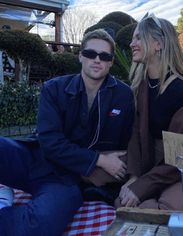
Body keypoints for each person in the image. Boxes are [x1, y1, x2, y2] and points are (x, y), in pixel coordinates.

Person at [0, 29, 135, 236]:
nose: (97, 60)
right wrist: (100, 159)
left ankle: (4, 205)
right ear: (80, 55)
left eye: (104, 56)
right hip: (34, 159)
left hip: (67, 179)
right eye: (91, 54)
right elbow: (50, 142)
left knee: (40, 225)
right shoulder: (54, 89)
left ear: (110, 62)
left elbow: (128, 144)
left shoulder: (124, 96)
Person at [115, 13, 183, 211]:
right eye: (133, 38)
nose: (132, 43)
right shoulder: (140, 87)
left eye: (139, 37)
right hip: (148, 166)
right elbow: (135, 136)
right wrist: (134, 176)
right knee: (123, 202)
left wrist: (141, 187)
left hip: (179, 171)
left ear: (158, 44)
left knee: (174, 211)